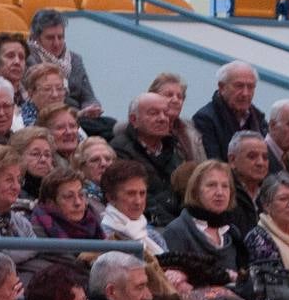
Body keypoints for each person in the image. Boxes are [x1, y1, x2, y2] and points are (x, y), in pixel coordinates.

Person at [163, 161, 246, 285]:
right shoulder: (177, 231)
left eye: (225, 186)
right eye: (211, 185)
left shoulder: (232, 232)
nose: (220, 193)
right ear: (196, 191)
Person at [112, 92, 187, 226]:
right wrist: (173, 224)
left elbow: (185, 191)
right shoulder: (120, 151)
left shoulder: (175, 148)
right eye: (154, 113)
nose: (163, 118)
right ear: (134, 120)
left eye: (166, 113)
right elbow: (135, 198)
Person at [27, 8, 102, 117]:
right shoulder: (29, 59)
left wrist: (92, 108)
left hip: (82, 117)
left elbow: (88, 96)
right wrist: (78, 114)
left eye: (60, 37)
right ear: (36, 38)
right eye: (50, 38)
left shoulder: (75, 59)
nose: (56, 43)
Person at [192, 61, 266, 162]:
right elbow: (214, 164)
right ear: (222, 87)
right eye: (239, 86)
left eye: (250, 87)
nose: (245, 93)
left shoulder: (259, 119)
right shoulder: (205, 119)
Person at [99, 159, 168, 256]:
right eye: (131, 194)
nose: (138, 201)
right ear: (111, 197)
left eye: (142, 193)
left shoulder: (154, 237)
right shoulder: (101, 236)